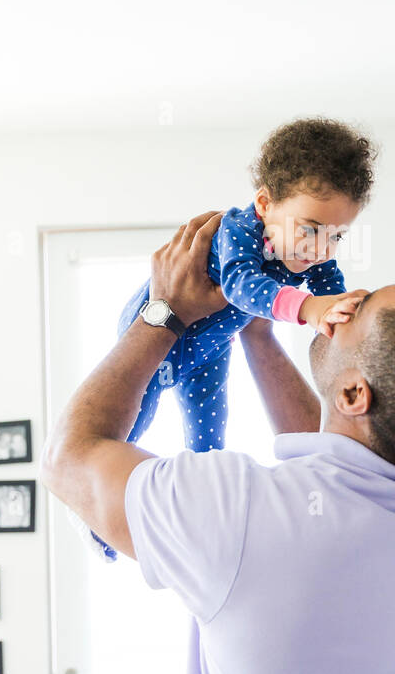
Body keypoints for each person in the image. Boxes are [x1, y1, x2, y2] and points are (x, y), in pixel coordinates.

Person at [42, 210, 395, 674]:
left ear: (353, 393)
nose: (347, 296)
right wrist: (258, 331)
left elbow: (67, 459)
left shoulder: (236, 513)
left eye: (360, 306)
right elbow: (340, 450)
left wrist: (164, 313)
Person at [84, 117, 377, 562]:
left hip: (210, 349)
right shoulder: (238, 230)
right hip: (161, 335)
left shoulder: (309, 259)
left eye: (337, 236)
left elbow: (333, 293)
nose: (321, 249)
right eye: (311, 228)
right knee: (129, 428)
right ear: (265, 204)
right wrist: (309, 309)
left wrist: (354, 313)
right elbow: (241, 285)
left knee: (210, 432)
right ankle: (99, 519)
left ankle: (202, 514)